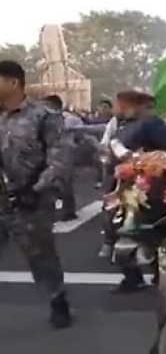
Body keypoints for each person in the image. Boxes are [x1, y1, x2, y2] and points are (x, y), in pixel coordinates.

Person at [0, 60, 72, 328]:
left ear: (13, 82)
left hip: (32, 200)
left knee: (40, 255)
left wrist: (35, 189)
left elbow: (60, 160)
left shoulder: (44, 116)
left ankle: (57, 299)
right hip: (2, 197)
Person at [105, 89, 166, 293]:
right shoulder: (125, 124)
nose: (116, 108)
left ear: (131, 105)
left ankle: (155, 274)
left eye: (119, 104)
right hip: (123, 186)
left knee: (149, 231)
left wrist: (140, 163)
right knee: (126, 230)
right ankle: (135, 276)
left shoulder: (153, 124)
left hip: (146, 189)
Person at [43, 95, 81, 222]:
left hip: (65, 154)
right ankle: (51, 211)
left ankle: (69, 211)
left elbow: (80, 133)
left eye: (46, 104)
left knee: (64, 184)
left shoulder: (69, 119)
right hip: (48, 154)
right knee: (49, 184)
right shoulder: (43, 119)